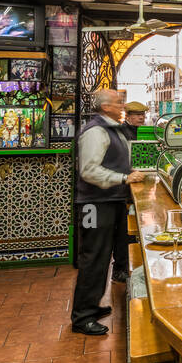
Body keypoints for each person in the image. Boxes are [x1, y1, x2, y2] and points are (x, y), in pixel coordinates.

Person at [71, 89, 145, 336]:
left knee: (102, 257)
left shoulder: (111, 128)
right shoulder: (96, 131)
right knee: (93, 257)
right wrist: (124, 177)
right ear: (105, 107)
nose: (123, 104)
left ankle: (92, 305)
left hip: (109, 201)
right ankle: (82, 317)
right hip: (94, 203)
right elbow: (89, 171)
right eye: (118, 101)